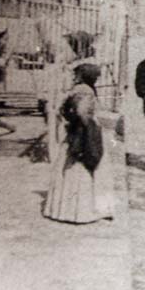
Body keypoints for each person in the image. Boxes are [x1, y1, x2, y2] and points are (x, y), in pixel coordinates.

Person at [45, 63, 114, 223]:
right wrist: (88, 128)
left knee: (75, 165)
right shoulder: (85, 90)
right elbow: (81, 111)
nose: (73, 77)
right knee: (87, 164)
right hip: (84, 130)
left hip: (79, 129)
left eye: (76, 74)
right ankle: (83, 211)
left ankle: (66, 210)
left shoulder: (80, 89)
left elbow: (67, 109)